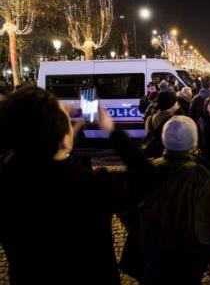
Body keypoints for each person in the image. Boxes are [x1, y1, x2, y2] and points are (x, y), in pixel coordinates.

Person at [0, 87, 153, 285]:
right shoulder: (89, 186)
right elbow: (146, 177)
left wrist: (63, 129)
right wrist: (110, 129)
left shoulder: (5, 175)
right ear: (65, 141)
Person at [138, 116, 210, 284]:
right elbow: (205, 230)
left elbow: (129, 208)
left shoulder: (148, 170)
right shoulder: (202, 176)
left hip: (152, 256)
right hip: (186, 260)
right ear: (194, 143)